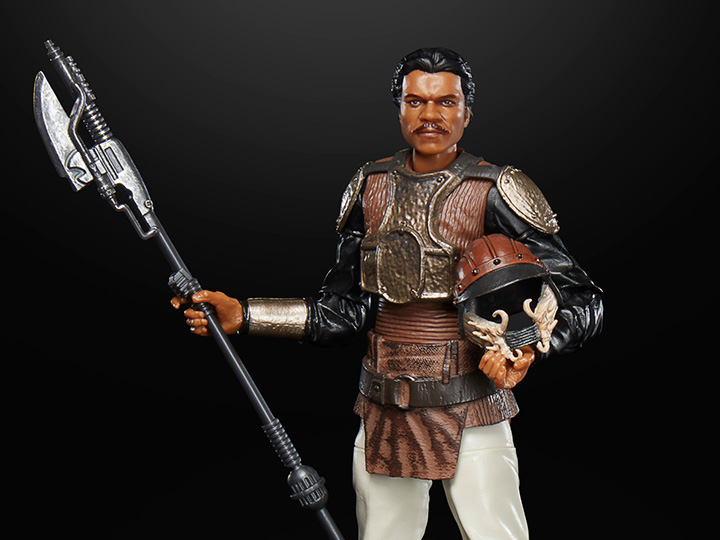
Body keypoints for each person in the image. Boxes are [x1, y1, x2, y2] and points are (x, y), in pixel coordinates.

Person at [171, 47, 603, 540]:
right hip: (386, 409)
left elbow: (583, 300)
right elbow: (342, 312)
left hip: (472, 407)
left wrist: (524, 347)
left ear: (466, 112)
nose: (430, 115)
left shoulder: (497, 189)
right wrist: (245, 315)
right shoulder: (369, 187)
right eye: (415, 101)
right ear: (399, 108)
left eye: (445, 102)